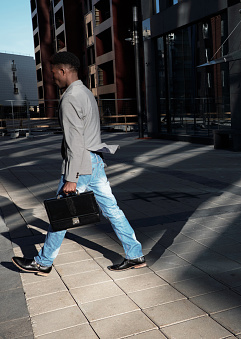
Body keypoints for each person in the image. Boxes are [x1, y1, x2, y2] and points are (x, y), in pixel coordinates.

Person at [12, 52, 145, 276]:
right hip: (95, 160)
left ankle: (43, 262)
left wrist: (72, 178)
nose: (52, 77)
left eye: (54, 72)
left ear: (63, 71)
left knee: (61, 211)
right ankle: (135, 255)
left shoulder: (71, 97)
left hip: (81, 164)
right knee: (112, 210)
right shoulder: (86, 93)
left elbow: (75, 141)